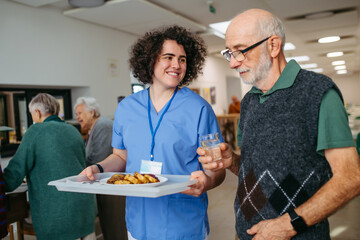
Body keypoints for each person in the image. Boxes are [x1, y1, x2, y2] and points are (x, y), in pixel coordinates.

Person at [198, 9, 360, 240]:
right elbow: (257, 169)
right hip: (245, 233)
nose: (233, 63)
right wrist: (232, 161)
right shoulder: (249, 102)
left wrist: (288, 225)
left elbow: (350, 178)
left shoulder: (318, 93)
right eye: (229, 53)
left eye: (241, 51)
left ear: (273, 45)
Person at [81, 25, 226, 240]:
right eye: (168, 57)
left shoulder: (199, 109)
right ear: (151, 60)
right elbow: (121, 156)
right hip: (138, 222)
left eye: (183, 59)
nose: (176, 65)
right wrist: (98, 167)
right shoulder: (126, 108)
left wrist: (208, 182)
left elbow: (217, 169)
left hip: (183, 224)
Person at [4, 93, 96, 240]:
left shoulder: (35, 132)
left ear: (37, 113)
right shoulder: (73, 130)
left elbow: (14, 174)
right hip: (84, 209)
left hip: (57, 214)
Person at [74, 97, 127, 240]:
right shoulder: (93, 129)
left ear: (92, 112)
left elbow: (99, 158)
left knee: (115, 229)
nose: (77, 117)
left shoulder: (103, 125)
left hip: (112, 189)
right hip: (104, 187)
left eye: (79, 113)